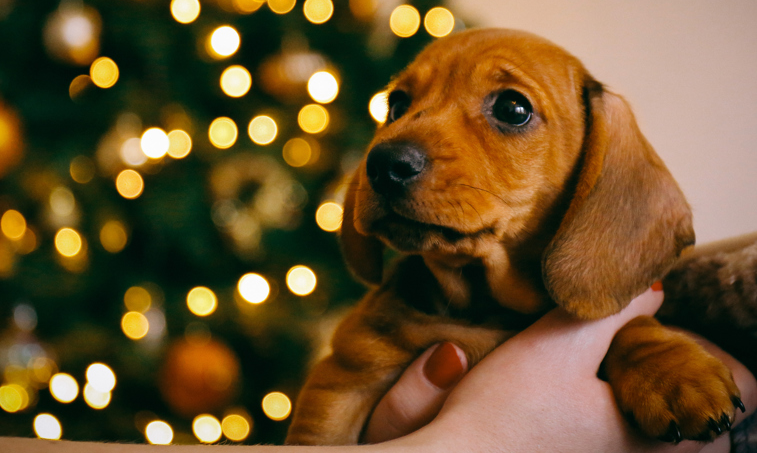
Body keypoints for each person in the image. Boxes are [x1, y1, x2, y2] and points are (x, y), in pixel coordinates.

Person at [2, 288, 754, 452]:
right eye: (399, 103)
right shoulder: (394, 314)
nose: (404, 143)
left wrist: (647, 350)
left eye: (511, 109)